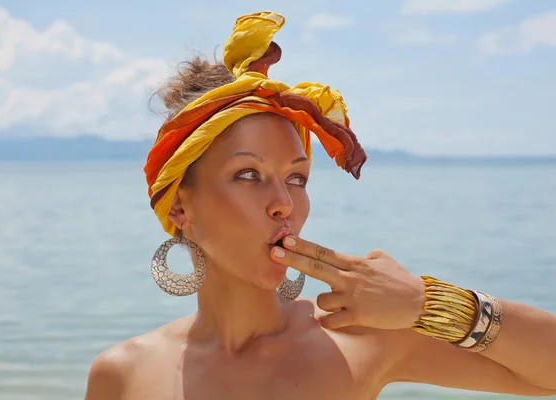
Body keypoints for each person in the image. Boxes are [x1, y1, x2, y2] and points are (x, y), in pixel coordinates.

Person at [84, 12, 556, 400]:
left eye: (297, 178)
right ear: (180, 206)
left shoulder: (359, 336)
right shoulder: (121, 376)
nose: (284, 203)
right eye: (249, 175)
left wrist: (428, 303)